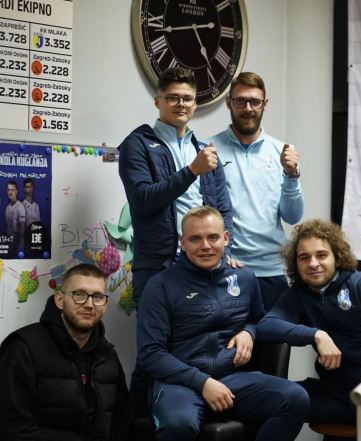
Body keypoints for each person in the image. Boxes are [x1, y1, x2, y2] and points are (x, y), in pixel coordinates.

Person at [137, 206, 308, 441]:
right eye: (195, 239)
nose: (205, 246)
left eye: (213, 237)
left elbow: (259, 320)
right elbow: (150, 353)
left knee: (295, 398)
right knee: (178, 425)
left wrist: (249, 332)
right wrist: (202, 382)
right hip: (180, 382)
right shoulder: (160, 286)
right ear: (182, 243)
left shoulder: (244, 277)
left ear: (226, 238)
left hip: (232, 379)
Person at [257, 219, 361, 429]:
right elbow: (266, 326)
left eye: (321, 255)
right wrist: (316, 335)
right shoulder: (298, 295)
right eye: (304, 257)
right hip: (335, 392)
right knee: (268, 403)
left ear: (337, 256)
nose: (313, 263)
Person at [118, 66, 233, 307]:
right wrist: (192, 171)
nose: (181, 104)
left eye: (187, 98)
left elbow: (223, 210)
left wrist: (226, 252)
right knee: (157, 331)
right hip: (158, 266)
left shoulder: (204, 151)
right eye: (172, 97)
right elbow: (142, 200)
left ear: (195, 104)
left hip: (203, 264)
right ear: (157, 102)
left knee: (204, 329)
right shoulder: (137, 144)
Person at [0, 264, 131, 441]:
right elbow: (14, 426)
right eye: (79, 295)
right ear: (60, 300)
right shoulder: (23, 348)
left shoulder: (108, 356)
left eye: (97, 297)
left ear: (105, 304)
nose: (89, 304)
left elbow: (122, 423)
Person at [207, 72, 303, 311]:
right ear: (228, 103)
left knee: (274, 336)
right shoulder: (208, 150)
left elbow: (292, 216)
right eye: (240, 101)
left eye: (254, 101)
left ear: (264, 104)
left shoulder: (281, 151)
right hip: (228, 268)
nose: (248, 108)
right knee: (232, 337)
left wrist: (292, 174)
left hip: (274, 270)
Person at [5, 180, 26, 255]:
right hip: (9, 245)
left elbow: (23, 228)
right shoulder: (7, 208)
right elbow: (8, 228)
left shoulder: (20, 207)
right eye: (8, 190)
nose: (10, 192)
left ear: (16, 191)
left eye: (12, 190)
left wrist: (20, 246)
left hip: (18, 246)